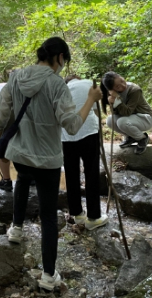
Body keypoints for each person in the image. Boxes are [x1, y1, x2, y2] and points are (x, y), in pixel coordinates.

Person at [0, 37, 102, 291]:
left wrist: (3, 142)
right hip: (48, 160)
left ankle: (16, 230)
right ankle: (49, 276)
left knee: (21, 182)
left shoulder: (16, 77)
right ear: (61, 58)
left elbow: (0, 115)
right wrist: (91, 99)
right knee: (49, 216)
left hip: (20, 153)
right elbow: (73, 126)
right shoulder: (56, 85)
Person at [61, 75, 108, 230]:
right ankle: (93, 218)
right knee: (91, 173)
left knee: (71, 173)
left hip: (67, 136)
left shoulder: (61, 90)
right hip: (88, 133)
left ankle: (77, 213)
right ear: (78, 78)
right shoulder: (90, 84)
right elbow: (95, 111)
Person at [101, 72, 152, 154]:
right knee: (109, 120)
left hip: (145, 118)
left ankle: (142, 138)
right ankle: (131, 137)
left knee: (121, 122)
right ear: (112, 89)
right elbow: (115, 113)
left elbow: (127, 112)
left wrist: (117, 100)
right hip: (132, 118)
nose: (123, 85)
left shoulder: (134, 90)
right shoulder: (114, 93)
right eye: (118, 86)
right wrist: (112, 102)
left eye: (122, 81)